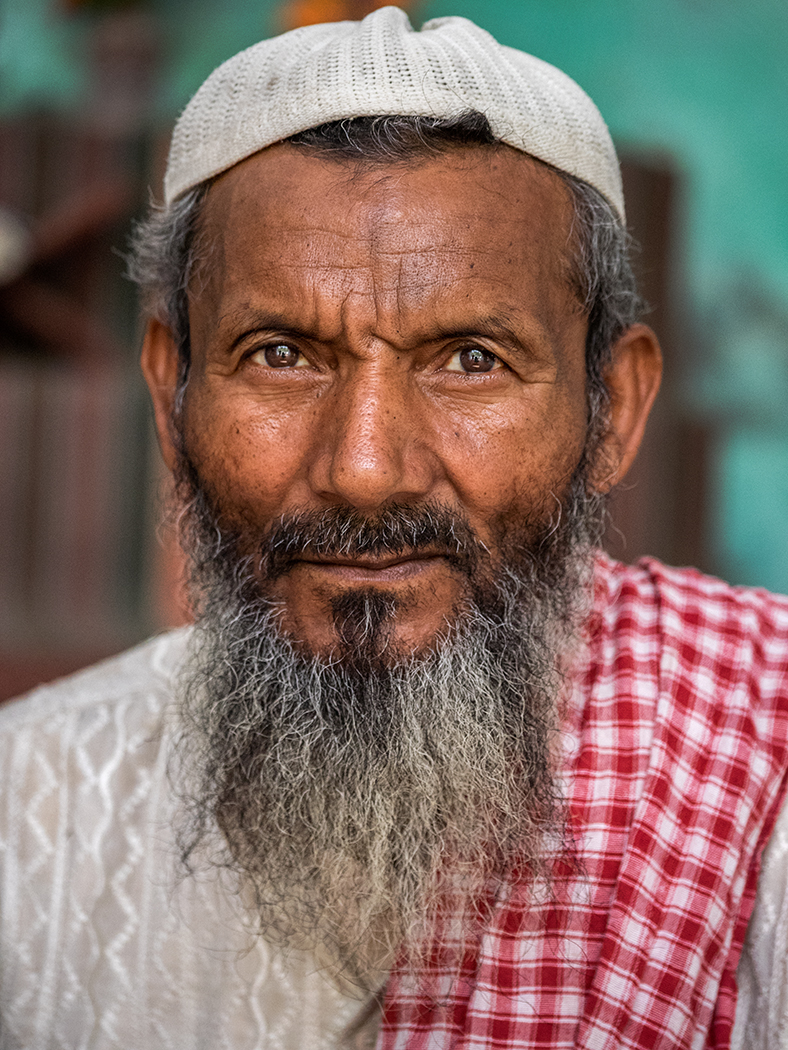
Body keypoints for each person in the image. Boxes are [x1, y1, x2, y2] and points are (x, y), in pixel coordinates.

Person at [1, 8, 787, 1049]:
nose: (365, 470)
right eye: (281, 354)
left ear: (614, 412)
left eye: (469, 358)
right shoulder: (31, 809)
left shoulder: (757, 787)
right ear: (170, 388)